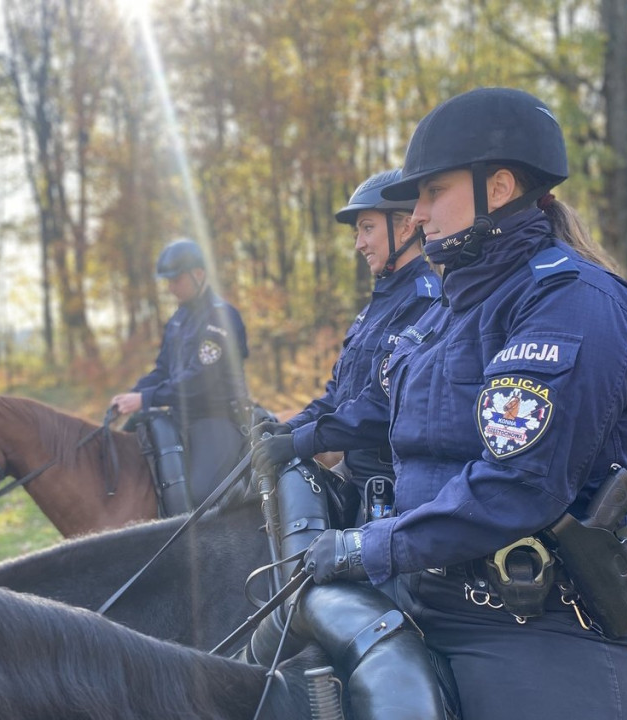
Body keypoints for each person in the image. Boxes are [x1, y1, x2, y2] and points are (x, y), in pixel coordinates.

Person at [302, 87, 627, 720]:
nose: (415, 214)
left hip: (543, 620)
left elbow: (518, 485)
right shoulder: (452, 307)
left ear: (497, 186)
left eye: (432, 192)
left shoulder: (572, 302)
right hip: (427, 590)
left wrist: (369, 546)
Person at [251, 168, 442, 525]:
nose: (359, 243)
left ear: (405, 227)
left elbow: (380, 407)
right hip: (356, 481)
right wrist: (290, 428)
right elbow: (338, 396)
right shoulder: (374, 308)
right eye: (358, 233)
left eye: (367, 228)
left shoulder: (425, 302)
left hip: (395, 496)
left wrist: (301, 442)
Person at [110, 238, 249, 513]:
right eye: (168, 282)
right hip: (180, 416)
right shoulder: (178, 319)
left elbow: (201, 381)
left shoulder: (221, 318)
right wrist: (132, 395)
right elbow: (162, 369)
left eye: (176, 280)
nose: (170, 288)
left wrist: (145, 399)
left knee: (200, 495)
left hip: (217, 417)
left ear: (198, 274)